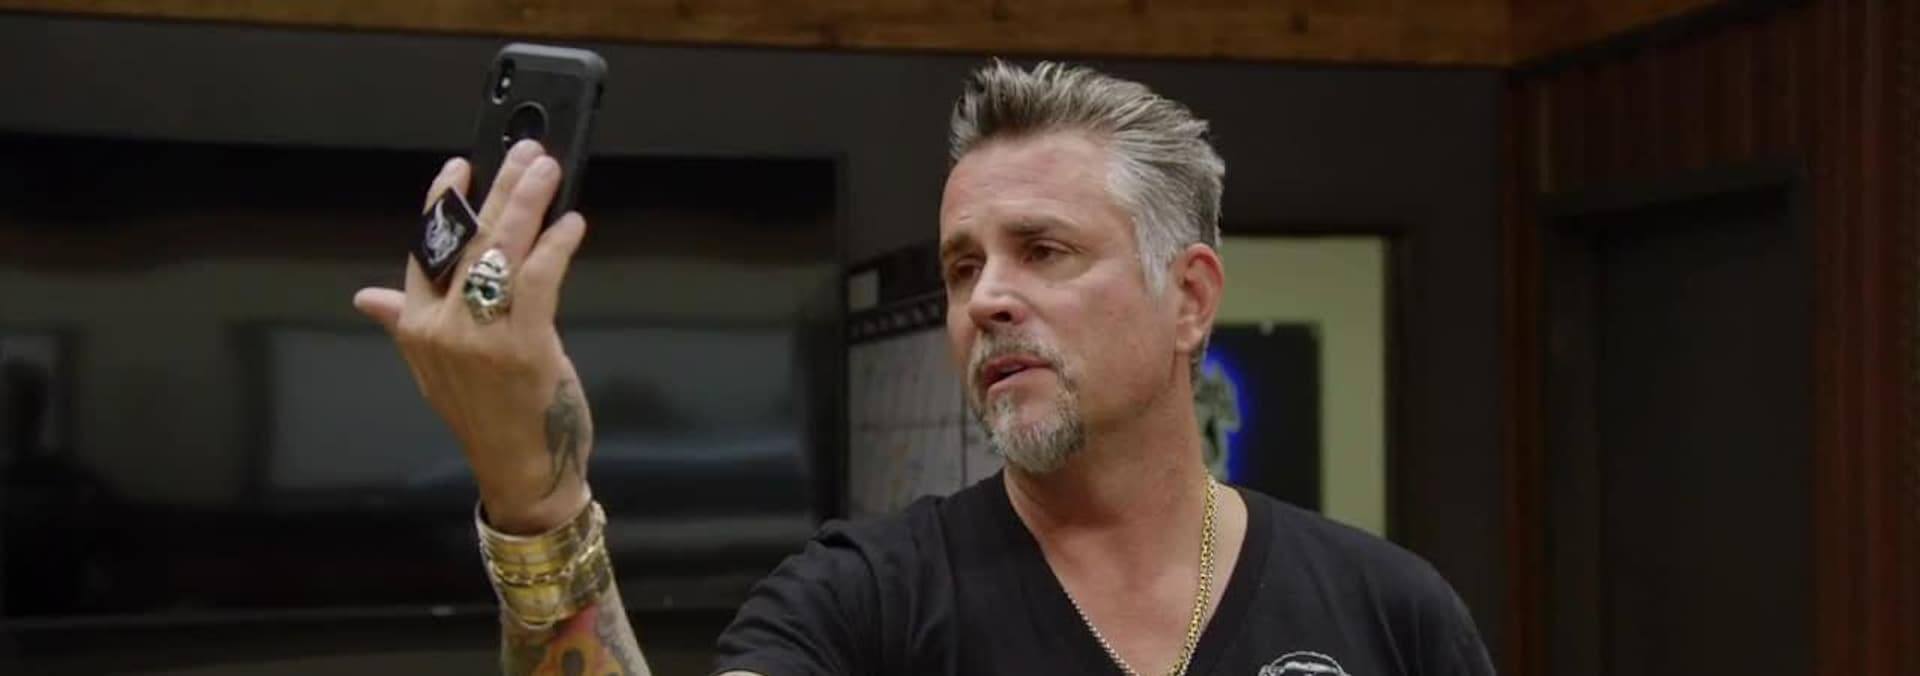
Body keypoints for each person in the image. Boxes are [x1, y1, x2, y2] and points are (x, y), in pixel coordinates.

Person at [353, 59, 1496, 676]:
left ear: (1190, 298)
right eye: (962, 266)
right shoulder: (865, 603)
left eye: (1044, 250)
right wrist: (536, 494)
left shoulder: (1387, 613)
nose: (986, 296)